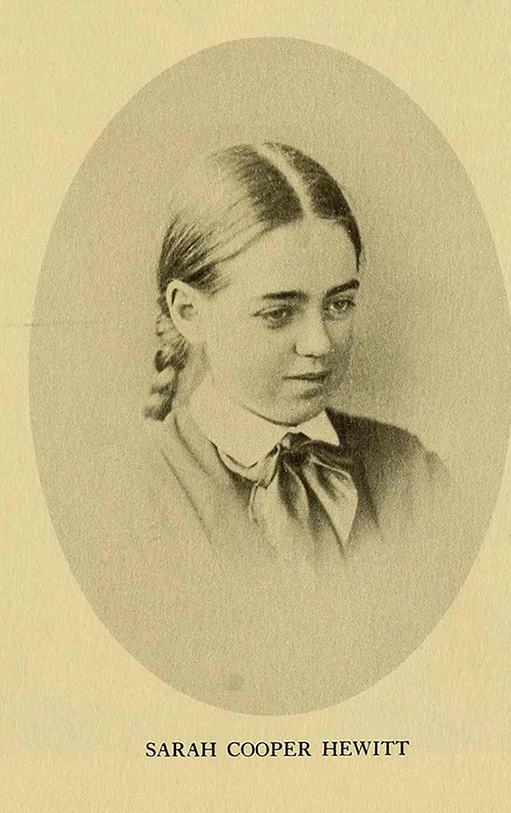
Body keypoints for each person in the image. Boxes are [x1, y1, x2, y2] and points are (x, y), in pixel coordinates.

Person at [135, 142, 450, 577]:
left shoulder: (412, 473)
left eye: (339, 304)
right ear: (189, 312)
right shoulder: (131, 495)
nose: (319, 344)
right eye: (279, 313)